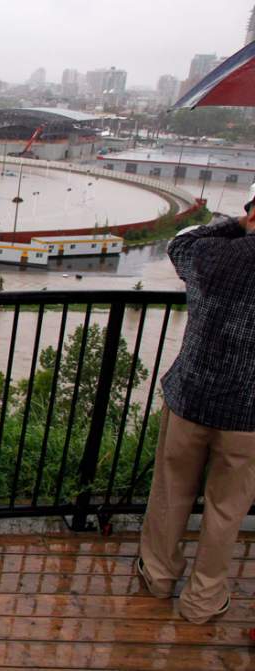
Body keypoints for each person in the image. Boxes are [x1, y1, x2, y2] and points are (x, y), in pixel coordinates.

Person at [137, 187, 255, 624]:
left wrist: (236, 224)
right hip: (248, 415)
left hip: (190, 397)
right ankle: (204, 602)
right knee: (226, 509)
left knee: (171, 491)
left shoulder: (208, 258)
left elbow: (180, 241)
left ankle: (159, 575)